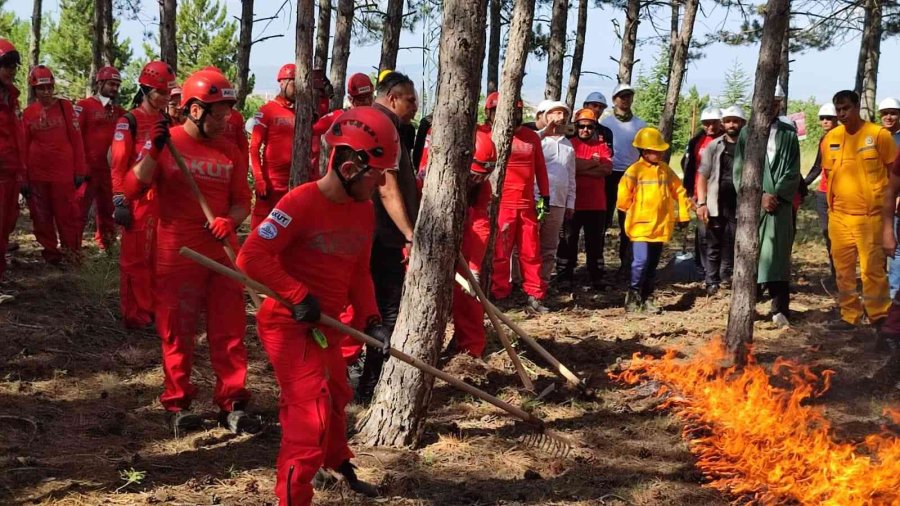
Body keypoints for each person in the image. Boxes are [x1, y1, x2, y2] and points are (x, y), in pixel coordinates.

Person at [236, 107, 395, 505]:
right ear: (349, 167)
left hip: (326, 325)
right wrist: (296, 294)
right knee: (311, 414)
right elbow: (251, 256)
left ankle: (337, 463)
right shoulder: (299, 203)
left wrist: (372, 319)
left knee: (337, 393)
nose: (380, 184)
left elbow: (359, 270)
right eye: (376, 174)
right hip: (288, 323)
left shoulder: (363, 209)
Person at [123, 69, 259, 436]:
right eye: (219, 111)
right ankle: (178, 403)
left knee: (229, 331)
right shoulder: (169, 144)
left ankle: (232, 402)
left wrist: (229, 222)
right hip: (177, 252)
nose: (226, 118)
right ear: (196, 110)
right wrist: (153, 150)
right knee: (176, 331)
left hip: (221, 252)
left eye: (228, 111)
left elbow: (242, 202)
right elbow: (132, 186)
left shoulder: (229, 150)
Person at [357, 70, 419, 402]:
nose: (415, 107)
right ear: (391, 97)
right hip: (379, 235)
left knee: (377, 309)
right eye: (410, 100)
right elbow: (386, 187)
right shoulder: (381, 126)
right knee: (383, 311)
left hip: (375, 234)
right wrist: (409, 233)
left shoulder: (387, 125)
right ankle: (368, 383)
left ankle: (369, 379)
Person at [821, 90, 897, 330]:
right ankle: (849, 315)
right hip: (839, 217)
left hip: (870, 217)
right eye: (838, 110)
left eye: (846, 108)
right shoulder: (831, 137)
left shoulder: (877, 135)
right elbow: (828, 174)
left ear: (857, 107)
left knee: (872, 270)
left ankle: (879, 316)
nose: (842, 114)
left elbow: (895, 173)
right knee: (842, 270)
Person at [110, 60, 175, 329]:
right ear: (147, 90)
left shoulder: (165, 121)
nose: (166, 98)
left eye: (168, 93)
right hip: (135, 200)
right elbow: (118, 163)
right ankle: (134, 315)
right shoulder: (129, 121)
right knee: (134, 260)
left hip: (159, 202)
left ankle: (152, 310)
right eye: (161, 93)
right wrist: (119, 200)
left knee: (156, 259)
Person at [734, 88, 801, 328]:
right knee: (751, 254)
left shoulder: (788, 133)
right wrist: (759, 196)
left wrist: (776, 194)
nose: (771, 106)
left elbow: (794, 169)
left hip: (779, 206)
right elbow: (740, 170)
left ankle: (779, 308)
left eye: (776, 102)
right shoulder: (746, 132)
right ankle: (748, 305)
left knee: (778, 255)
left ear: (780, 104)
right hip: (754, 205)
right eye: (767, 101)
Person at [486, 92, 551, 313]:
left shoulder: (531, 137)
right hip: (501, 204)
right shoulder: (488, 135)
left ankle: (535, 295)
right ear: (490, 113)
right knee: (500, 253)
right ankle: (500, 293)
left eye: (517, 110)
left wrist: (546, 196)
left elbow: (540, 167)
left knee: (531, 252)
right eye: (505, 111)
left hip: (527, 205)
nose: (513, 115)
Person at [617, 127, 692, 313]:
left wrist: (683, 215)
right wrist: (629, 218)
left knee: (651, 265)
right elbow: (622, 200)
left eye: (660, 150)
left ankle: (647, 297)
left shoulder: (665, 170)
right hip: (640, 227)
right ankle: (633, 296)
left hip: (660, 227)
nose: (659, 153)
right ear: (644, 151)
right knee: (640, 262)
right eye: (655, 150)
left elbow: (680, 192)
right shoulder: (634, 171)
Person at [22, 65, 88, 265]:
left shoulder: (64, 107)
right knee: (41, 218)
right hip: (37, 175)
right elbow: (23, 146)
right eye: (41, 88)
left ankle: (72, 254)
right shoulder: (28, 114)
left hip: (63, 175)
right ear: (34, 90)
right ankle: (51, 254)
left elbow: (76, 139)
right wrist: (23, 177)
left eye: (49, 87)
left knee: (68, 216)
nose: (46, 92)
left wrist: (80, 169)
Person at [451, 128, 497, 357]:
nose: (477, 180)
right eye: (474, 175)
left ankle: (471, 351)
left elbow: (481, 224)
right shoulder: (435, 177)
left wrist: (474, 267)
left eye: (482, 176)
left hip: (465, 243)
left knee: (469, 299)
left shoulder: (482, 187)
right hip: (429, 243)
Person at [556, 108, 613, 288]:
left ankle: (597, 276)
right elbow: (569, 168)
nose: (585, 130)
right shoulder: (568, 144)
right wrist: (593, 164)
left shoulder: (602, 146)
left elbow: (607, 169)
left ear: (595, 127)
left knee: (595, 242)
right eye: (581, 126)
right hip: (573, 202)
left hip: (597, 203)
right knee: (568, 241)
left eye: (589, 127)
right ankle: (565, 275)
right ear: (576, 126)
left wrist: (581, 167)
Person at [75, 66, 126, 251]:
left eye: (117, 85)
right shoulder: (84, 106)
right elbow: (75, 136)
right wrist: (78, 167)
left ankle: (107, 248)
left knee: (108, 211)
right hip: (87, 170)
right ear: (100, 83)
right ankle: (73, 250)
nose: (114, 89)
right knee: (78, 211)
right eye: (111, 84)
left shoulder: (118, 111)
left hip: (108, 171)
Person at [696, 106, 744, 295]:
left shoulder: (750, 146)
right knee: (713, 242)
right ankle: (711, 281)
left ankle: (729, 277)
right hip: (716, 201)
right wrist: (701, 202)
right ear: (722, 123)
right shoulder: (714, 146)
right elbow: (702, 175)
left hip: (741, 204)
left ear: (742, 123)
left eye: (736, 120)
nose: (731, 124)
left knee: (736, 242)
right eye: (728, 120)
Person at [600, 83, 647, 278]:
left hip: (631, 177)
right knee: (602, 221)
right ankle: (598, 263)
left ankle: (626, 264)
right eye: (621, 96)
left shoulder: (641, 125)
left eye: (628, 96)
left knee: (628, 223)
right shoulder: (606, 124)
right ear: (614, 100)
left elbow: (645, 152)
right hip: (609, 176)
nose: (625, 99)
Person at [249, 63, 296, 229]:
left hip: (293, 184)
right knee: (259, 227)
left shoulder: (302, 113)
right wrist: (259, 178)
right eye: (294, 82)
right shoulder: (267, 110)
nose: (298, 87)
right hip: (270, 185)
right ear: (282, 83)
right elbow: (254, 147)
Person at [536, 101, 575, 295]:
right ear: (545, 115)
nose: (560, 118)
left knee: (550, 246)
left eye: (563, 114)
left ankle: (542, 283)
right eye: (555, 113)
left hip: (559, 202)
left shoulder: (568, 146)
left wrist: (571, 202)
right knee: (528, 245)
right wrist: (546, 131)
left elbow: (571, 176)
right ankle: (521, 282)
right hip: (538, 200)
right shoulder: (538, 140)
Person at [682, 107, 724, 282]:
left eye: (714, 123)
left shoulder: (728, 140)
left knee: (723, 233)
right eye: (707, 123)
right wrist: (690, 192)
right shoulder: (696, 141)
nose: (711, 127)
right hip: (701, 194)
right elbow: (688, 166)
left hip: (723, 193)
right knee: (704, 233)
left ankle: (722, 271)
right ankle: (704, 269)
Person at [802, 103, 839, 283]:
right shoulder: (823, 140)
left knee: (840, 235)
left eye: (829, 118)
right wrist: (803, 184)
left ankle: (843, 274)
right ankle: (835, 274)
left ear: (836, 119)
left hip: (840, 195)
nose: (825, 121)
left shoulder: (844, 137)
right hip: (822, 194)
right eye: (822, 118)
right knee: (827, 234)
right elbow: (818, 166)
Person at [0, 38, 24, 286]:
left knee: (5, 226)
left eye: (14, 66)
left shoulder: (11, 99)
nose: (11, 70)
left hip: (10, 174)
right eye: (6, 64)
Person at [880, 98, 900, 296]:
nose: (888, 117)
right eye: (884, 113)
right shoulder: (876, 137)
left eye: (893, 113)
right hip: (878, 202)